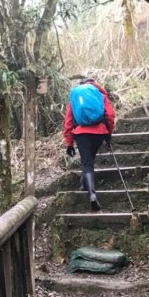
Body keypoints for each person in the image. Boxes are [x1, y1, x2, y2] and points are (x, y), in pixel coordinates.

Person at [64, 78, 115, 211]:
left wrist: (69, 142)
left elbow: (68, 120)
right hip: (99, 132)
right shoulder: (100, 94)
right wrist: (109, 133)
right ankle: (83, 185)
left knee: (87, 162)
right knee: (89, 159)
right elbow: (110, 115)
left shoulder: (76, 97)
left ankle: (91, 194)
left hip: (81, 133)